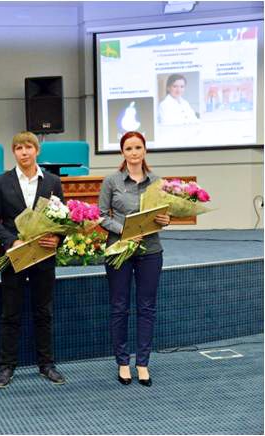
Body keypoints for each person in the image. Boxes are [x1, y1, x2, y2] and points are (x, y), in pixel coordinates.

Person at [0, 132, 66, 388]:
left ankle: (47, 364)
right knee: (11, 313)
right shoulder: (1, 182)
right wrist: (11, 241)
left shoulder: (52, 181)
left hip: (43, 255)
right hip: (14, 256)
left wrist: (57, 239)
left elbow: (62, 219)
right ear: (14, 152)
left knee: (44, 311)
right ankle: (6, 366)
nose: (24, 152)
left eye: (28, 147)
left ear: (37, 150)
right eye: (18, 148)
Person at [98, 131, 170, 387]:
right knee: (119, 307)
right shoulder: (111, 181)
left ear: (145, 151)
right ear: (122, 152)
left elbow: (162, 215)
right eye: (128, 148)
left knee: (147, 308)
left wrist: (166, 220)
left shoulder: (157, 181)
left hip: (150, 252)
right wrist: (124, 232)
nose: (134, 152)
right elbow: (100, 216)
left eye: (138, 147)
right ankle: (122, 362)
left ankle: (142, 363)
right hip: (119, 250)